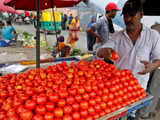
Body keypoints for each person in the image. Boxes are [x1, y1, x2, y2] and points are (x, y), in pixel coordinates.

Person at [97, 0, 160, 119]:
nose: (128, 19)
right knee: (117, 114)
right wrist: (104, 52)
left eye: (132, 15)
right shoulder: (118, 36)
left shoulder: (153, 36)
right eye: (125, 16)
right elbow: (100, 51)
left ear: (141, 14)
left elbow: (158, 58)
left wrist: (152, 66)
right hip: (117, 87)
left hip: (138, 88)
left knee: (132, 115)